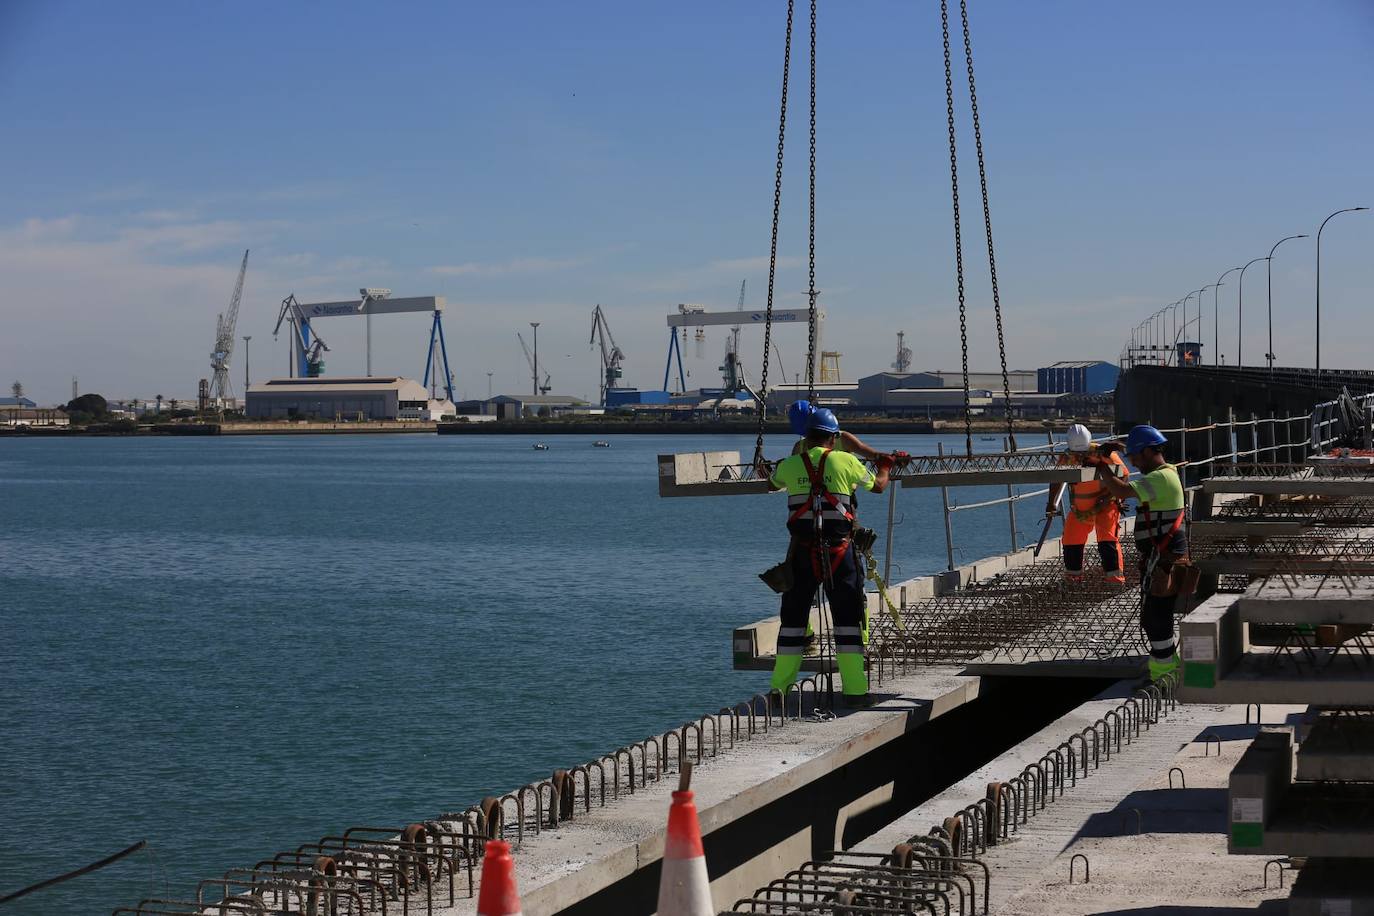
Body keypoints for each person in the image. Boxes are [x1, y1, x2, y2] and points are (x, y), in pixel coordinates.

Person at [767, 407, 893, 706]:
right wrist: (886, 466)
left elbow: (770, 484)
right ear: (833, 438)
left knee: (793, 622)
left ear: (807, 437)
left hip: (801, 554)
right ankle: (855, 693)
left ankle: (780, 691)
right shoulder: (846, 460)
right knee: (848, 621)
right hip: (840, 552)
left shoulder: (790, 464)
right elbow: (877, 486)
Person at [1094, 424, 1187, 681]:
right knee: (1154, 615)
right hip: (1162, 557)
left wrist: (1101, 468)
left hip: (1165, 559)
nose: (1133, 464)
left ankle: (1166, 671)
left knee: (1157, 616)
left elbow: (1122, 490)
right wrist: (1118, 449)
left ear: (1148, 452)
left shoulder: (1159, 478)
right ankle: (1165, 666)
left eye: (1135, 457)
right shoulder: (1167, 473)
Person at [1045, 423, 1129, 583]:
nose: (1081, 455)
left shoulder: (1104, 453)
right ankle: (1073, 578)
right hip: (1081, 508)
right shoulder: (1067, 457)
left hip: (1106, 504)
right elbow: (1056, 479)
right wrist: (1051, 503)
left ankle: (1115, 579)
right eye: (1078, 452)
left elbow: (1124, 475)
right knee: (1071, 540)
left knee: (1107, 540)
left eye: (1083, 451)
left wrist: (1112, 497)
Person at [787, 399, 883, 461]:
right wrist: (887, 459)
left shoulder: (843, 438)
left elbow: (868, 452)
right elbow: (870, 454)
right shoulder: (842, 439)